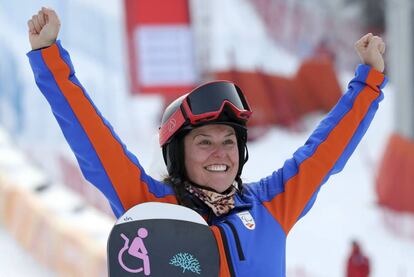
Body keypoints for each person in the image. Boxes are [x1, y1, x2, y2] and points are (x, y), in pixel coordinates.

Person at [27, 7, 387, 277]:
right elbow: (94, 143)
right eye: (203, 142)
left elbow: (325, 152)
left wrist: (368, 80)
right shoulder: (152, 207)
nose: (221, 153)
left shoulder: (271, 205)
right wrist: (50, 59)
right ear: (177, 154)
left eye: (229, 141)